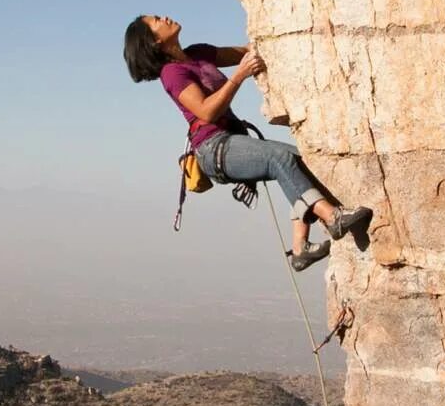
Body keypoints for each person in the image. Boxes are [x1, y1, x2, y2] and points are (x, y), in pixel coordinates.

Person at [123, 14, 371, 271]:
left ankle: (300, 249)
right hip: (213, 149)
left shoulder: (197, 53)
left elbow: (244, 53)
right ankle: (332, 217)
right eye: (155, 20)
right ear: (153, 41)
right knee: (279, 158)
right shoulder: (172, 73)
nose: (164, 17)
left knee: (300, 159)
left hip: (232, 140)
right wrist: (238, 76)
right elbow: (206, 112)